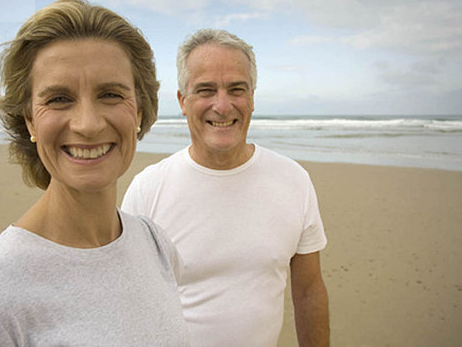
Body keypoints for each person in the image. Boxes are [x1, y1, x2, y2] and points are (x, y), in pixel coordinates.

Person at [0, 0, 189, 346]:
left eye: (110, 94)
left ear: (139, 111)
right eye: (59, 98)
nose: (88, 125)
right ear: (29, 118)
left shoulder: (153, 243)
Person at [122, 29, 329, 346]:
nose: (222, 105)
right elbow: (127, 301)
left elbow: (309, 289)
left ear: (252, 98)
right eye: (205, 90)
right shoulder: (148, 189)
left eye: (236, 89)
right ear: (182, 101)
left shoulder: (294, 180)